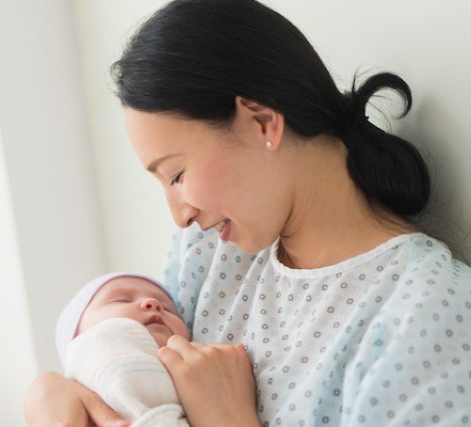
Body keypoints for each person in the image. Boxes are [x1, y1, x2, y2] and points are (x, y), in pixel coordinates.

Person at [24, 0, 471, 426]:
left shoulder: (429, 314)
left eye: (177, 174)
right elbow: (132, 378)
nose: (180, 216)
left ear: (261, 122)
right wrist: (52, 388)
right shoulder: (209, 253)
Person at [55, 272, 195, 426]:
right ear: (77, 337)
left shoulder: (200, 368)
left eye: (169, 309)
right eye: (121, 300)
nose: (153, 303)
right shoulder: (83, 368)